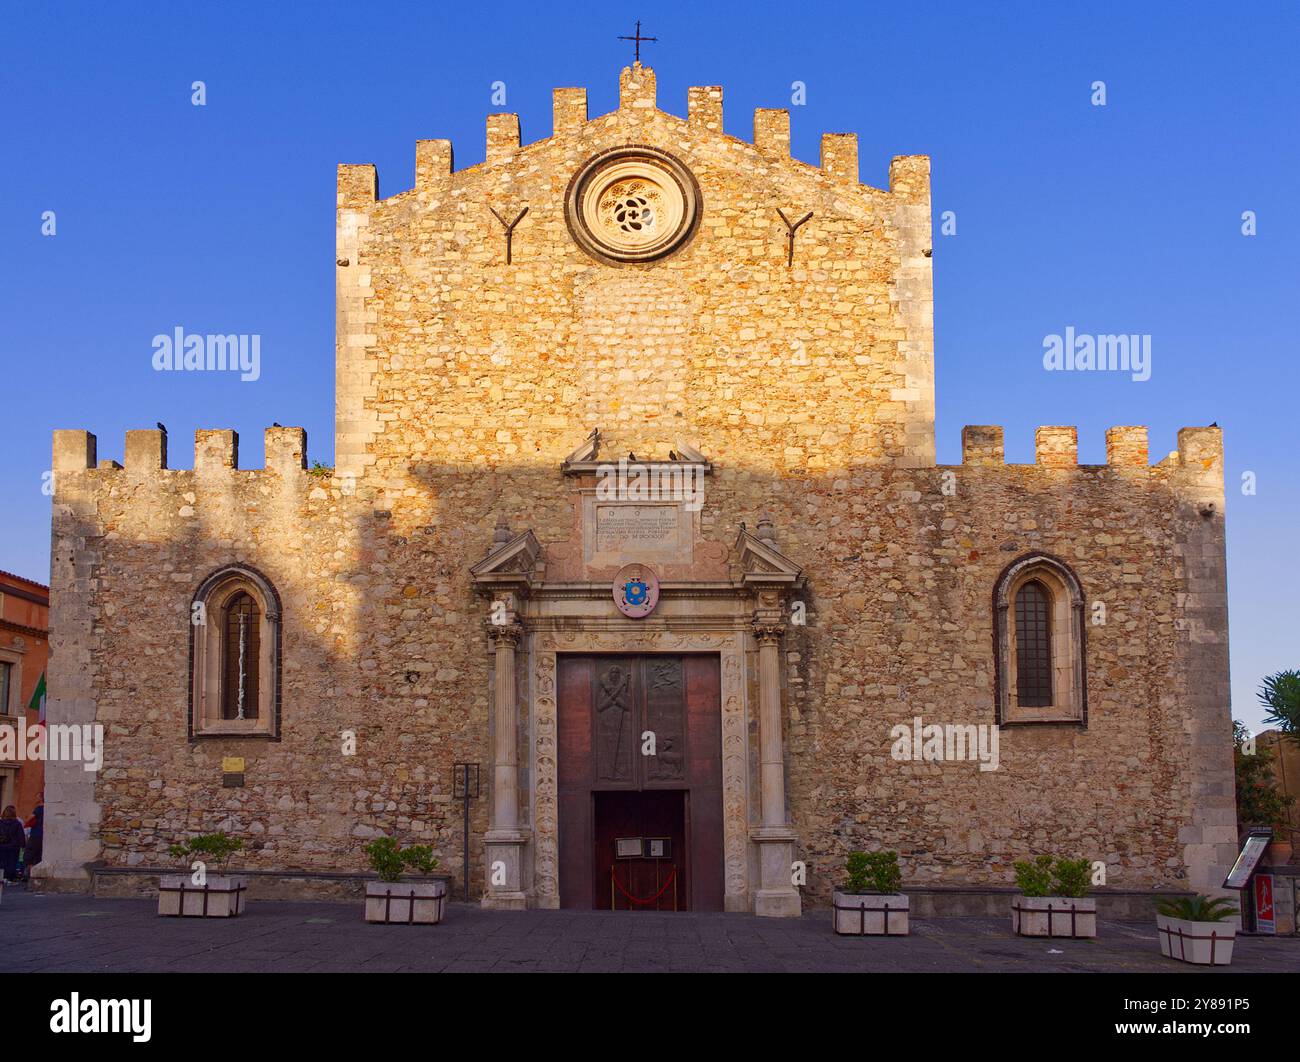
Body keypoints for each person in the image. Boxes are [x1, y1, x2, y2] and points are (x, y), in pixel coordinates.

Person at [0, 806, 25, 882]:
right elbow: (21, 835)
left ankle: (3, 876)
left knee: (3, 861)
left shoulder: (1, 823)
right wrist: (23, 845)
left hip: (2, 845)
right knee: (13, 862)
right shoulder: (17, 823)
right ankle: (10, 877)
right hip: (14, 846)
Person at [23, 796, 44, 877]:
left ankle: (28, 874)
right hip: (43, 834)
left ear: (41, 799)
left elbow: (30, 818)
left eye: (37, 797)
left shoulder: (39, 808)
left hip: (36, 834)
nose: (35, 798)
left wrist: (26, 822)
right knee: (38, 854)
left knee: (29, 854)